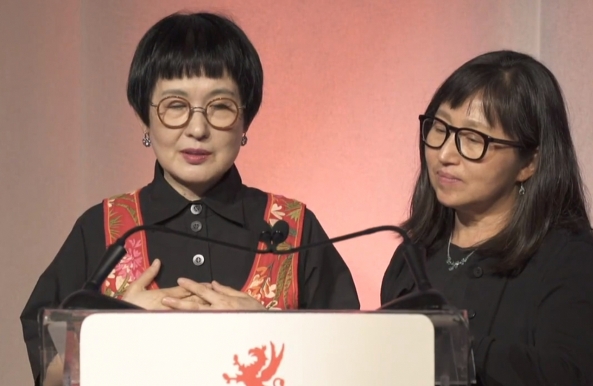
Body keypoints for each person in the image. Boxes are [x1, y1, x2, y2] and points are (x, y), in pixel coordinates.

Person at [21, 11, 360, 385]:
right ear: (144, 117)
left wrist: (271, 325)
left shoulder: (294, 227)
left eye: (219, 107)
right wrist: (112, 326)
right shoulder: (101, 229)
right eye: (175, 106)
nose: (197, 129)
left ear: (246, 120)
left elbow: (352, 366)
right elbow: (50, 374)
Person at [380, 50, 593, 386]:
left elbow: (564, 374)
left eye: (473, 139)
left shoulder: (568, 259)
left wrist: (450, 343)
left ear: (528, 163)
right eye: (440, 128)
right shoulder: (414, 254)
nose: (445, 154)